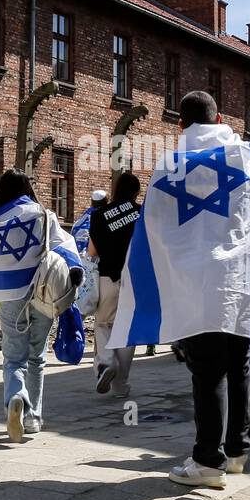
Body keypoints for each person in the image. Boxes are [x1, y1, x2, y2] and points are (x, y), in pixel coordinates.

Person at [107, 91, 250, 489]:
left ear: (181, 125)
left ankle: (206, 461)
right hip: (238, 280)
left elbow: (154, 228)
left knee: (206, 373)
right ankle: (236, 451)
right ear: (219, 117)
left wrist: (164, 276)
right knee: (238, 364)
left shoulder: (169, 164)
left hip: (194, 284)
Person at [0, 170, 84, 442]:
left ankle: (16, 396)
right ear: (28, 188)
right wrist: (74, 271)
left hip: (13, 296)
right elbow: (66, 246)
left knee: (14, 357)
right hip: (43, 292)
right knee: (36, 357)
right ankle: (33, 417)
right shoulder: (43, 215)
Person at [87, 171, 143, 399]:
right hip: (135, 280)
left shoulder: (100, 215)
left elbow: (92, 251)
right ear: (136, 193)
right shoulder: (142, 214)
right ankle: (121, 385)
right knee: (127, 331)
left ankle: (106, 363)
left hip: (107, 277)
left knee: (103, 324)